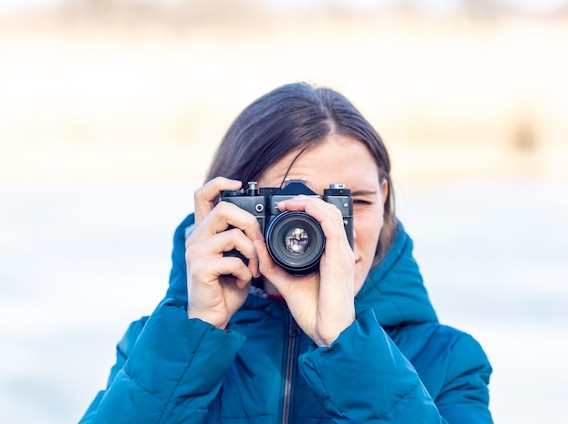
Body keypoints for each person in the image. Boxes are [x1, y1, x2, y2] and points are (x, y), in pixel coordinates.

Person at [80, 82, 493, 423]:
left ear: (385, 199)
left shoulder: (449, 362)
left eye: (354, 205)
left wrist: (347, 342)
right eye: (293, 210)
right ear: (232, 206)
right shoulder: (157, 347)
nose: (329, 231)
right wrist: (196, 333)